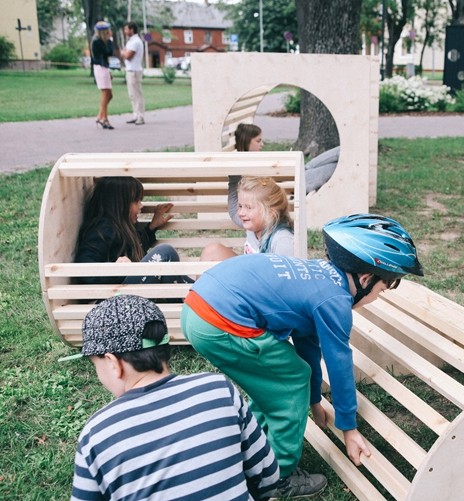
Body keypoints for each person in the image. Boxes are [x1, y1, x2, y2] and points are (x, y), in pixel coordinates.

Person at [180, 214, 424, 498]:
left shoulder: (320, 276)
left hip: (200, 307)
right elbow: (339, 363)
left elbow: (308, 344)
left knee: (272, 382)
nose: (378, 297)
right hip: (220, 321)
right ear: (366, 278)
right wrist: (349, 427)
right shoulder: (335, 301)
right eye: (384, 288)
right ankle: (276, 477)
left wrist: (315, 400)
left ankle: (253, 449)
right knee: (291, 381)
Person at [62, 294, 280, 501]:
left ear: (112, 362)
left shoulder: (98, 433)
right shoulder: (219, 389)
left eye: (95, 365)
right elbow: (269, 476)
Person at [75, 176, 191, 285]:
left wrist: (151, 227)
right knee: (166, 252)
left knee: (171, 268)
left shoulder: (121, 229)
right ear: (119, 204)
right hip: (115, 298)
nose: (141, 206)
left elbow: (135, 247)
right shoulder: (103, 229)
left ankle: (196, 294)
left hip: (127, 292)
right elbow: (83, 268)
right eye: (137, 201)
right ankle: (195, 297)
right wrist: (115, 269)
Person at [200, 175, 294, 261]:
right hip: (250, 273)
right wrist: (234, 174)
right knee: (212, 250)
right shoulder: (254, 224)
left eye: (248, 207)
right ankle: (196, 281)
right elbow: (233, 210)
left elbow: (285, 276)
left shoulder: (282, 239)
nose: (241, 213)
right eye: (240, 206)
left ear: (270, 213)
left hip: (264, 278)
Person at [91, 21, 114, 130]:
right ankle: (104, 119)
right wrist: (110, 40)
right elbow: (108, 52)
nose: (110, 32)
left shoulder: (101, 41)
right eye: (108, 30)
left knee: (109, 95)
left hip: (104, 68)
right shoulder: (97, 42)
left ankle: (100, 116)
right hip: (100, 68)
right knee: (105, 94)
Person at [120, 21, 145, 126]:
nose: (125, 31)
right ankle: (135, 114)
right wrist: (124, 52)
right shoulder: (131, 41)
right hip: (130, 70)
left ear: (131, 30)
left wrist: (123, 53)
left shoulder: (135, 42)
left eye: (126, 29)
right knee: (132, 95)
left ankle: (140, 116)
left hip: (134, 70)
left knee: (137, 94)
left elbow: (128, 55)